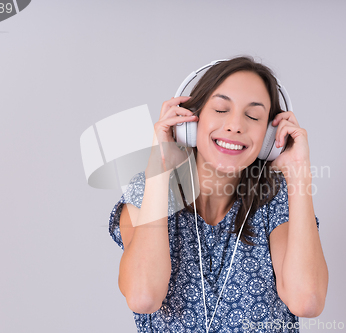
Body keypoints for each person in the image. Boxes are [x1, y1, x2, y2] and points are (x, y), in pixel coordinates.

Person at [109, 56, 328, 332]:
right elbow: (143, 296)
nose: (235, 125)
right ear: (190, 123)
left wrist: (299, 172)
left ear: (269, 141)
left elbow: (307, 300)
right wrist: (159, 166)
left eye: (253, 116)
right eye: (222, 109)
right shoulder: (147, 190)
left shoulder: (274, 197)